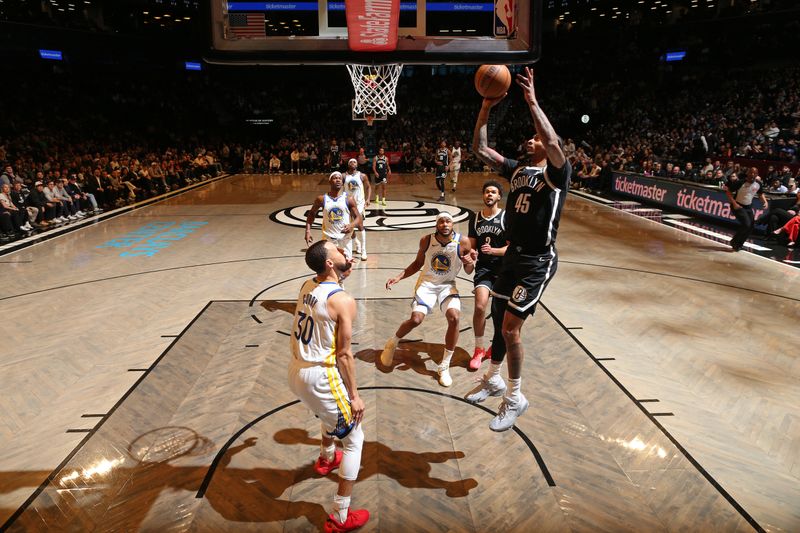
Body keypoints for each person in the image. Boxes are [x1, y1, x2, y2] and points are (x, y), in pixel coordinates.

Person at [469, 66, 572, 432]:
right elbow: (479, 148)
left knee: (512, 329)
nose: (531, 141)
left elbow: (556, 144)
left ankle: (514, 398)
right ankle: (493, 378)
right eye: (530, 138)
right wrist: (485, 108)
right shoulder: (516, 171)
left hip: (537, 260)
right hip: (512, 255)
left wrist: (531, 101)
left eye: (536, 138)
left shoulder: (556, 174)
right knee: (499, 321)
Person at [288, 240, 369, 533]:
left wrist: (340, 274)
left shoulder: (306, 286)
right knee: (355, 439)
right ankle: (340, 516)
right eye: (337, 250)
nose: (344, 250)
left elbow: (324, 293)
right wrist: (355, 396)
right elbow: (344, 354)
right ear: (330, 263)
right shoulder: (343, 300)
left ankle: (325, 459)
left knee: (330, 416)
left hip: (296, 370)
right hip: (320, 376)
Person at [379, 212, 473, 387]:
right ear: (436, 225)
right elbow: (417, 264)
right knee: (416, 319)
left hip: (447, 285)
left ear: (453, 224)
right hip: (427, 284)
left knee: (454, 317)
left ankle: (444, 366)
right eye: (441, 222)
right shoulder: (426, 240)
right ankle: (392, 343)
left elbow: (468, 270)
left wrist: (469, 262)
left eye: (448, 221)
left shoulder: (463, 242)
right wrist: (399, 277)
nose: (445, 224)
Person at [467, 180, 508, 371]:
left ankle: (495, 346)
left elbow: (511, 249)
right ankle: (478, 348)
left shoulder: (507, 217)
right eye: (486, 192)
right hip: (484, 269)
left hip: (504, 270)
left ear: (499, 196)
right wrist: (472, 254)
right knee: (480, 306)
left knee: (500, 315)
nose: (489, 195)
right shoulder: (475, 218)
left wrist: (493, 251)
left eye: (493, 192)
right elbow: (472, 247)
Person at [305, 172, 362, 261]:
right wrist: (308, 231)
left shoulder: (349, 199)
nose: (338, 180)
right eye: (335, 178)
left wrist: (352, 225)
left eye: (340, 178)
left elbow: (359, 217)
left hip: (345, 239)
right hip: (329, 240)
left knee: (345, 269)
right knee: (330, 267)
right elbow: (311, 214)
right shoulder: (321, 199)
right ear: (330, 181)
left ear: (342, 182)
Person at [724, 166, 768, 252]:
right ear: (747, 173)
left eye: (755, 173)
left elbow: (760, 194)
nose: (752, 174)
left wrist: (765, 202)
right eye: (751, 172)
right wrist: (735, 204)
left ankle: (739, 244)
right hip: (738, 205)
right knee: (746, 225)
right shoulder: (740, 182)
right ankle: (734, 241)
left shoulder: (758, 184)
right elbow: (728, 192)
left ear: (757, 175)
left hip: (748, 207)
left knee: (751, 227)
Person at [344, 158, 371, 261]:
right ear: (348, 164)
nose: (353, 163)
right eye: (350, 162)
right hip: (347, 204)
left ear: (357, 164)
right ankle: (357, 243)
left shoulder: (362, 175)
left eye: (354, 162)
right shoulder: (343, 176)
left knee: (360, 225)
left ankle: (364, 250)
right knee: (350, 226)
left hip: (359, 204)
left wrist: (368, 199)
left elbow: (368, 187)